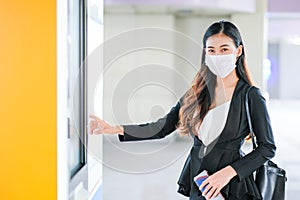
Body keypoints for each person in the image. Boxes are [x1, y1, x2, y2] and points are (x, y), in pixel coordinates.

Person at [89, 20, 276, 200]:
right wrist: (116, 128)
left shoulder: (250, 95)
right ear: (205, 54)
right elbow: (161, 127)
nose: (218, 56)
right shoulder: (197, 92)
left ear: (238, 51)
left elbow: (267, 147)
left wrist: (229, 173)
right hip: (200, 184)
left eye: (224, 49)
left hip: (232, 187)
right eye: (211, 50)